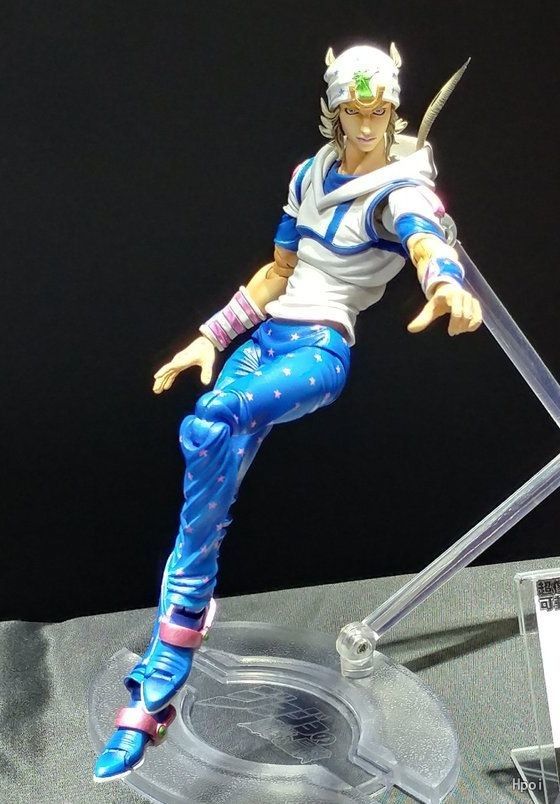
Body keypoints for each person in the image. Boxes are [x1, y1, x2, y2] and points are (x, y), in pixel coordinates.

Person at [94, 42, 482, 781]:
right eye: (353, 112)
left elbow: (425, 235)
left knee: (210, 423)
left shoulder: (399, 189)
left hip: (318, 351)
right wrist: (210, 337)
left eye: (378, 112)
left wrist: (445, 282)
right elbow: (278, 271)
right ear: (333, 111)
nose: (365, 126)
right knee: (206, 461)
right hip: (264, 342)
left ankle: (168, 660)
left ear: (393, 111)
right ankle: (175, 646)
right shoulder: (311, 174)